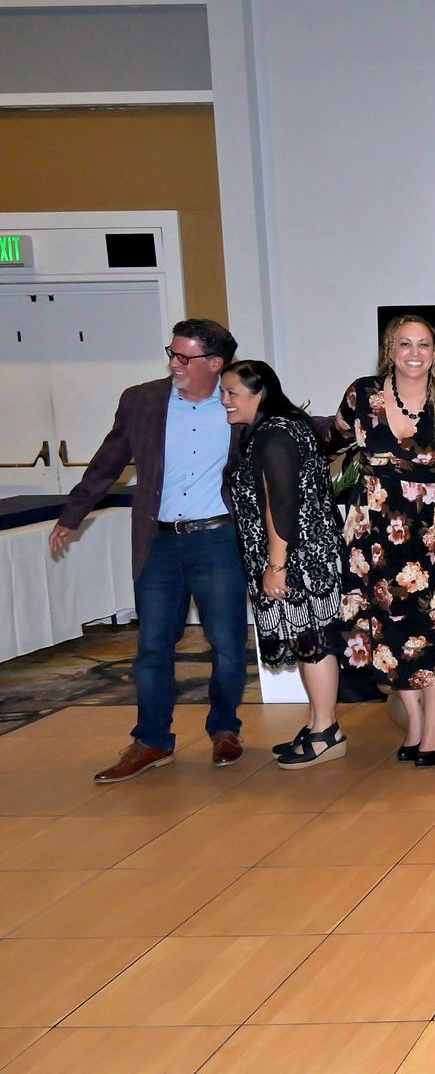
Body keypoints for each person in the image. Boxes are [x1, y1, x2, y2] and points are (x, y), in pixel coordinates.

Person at [52, 319, 248, 783]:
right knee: (153, 646)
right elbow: (108, 460)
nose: (174, 363)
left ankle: (225, 728)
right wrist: (72, 514)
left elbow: (295, 428)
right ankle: (152, 740)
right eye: (172, 353)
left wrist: (348, 424)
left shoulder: (239, 399)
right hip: (158, 542)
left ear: (214, 363)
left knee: (227, 645)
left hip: (219, 540)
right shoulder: (142, 400)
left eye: (184, 357)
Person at [332, 314, 435, 765]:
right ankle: (414, 722)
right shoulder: (361, 395)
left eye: (424, 345)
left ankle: (434, 725)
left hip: (430, 537)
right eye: (405, 344)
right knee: (387, 630)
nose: (415, 353)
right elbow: (335, 438)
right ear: (389, 351)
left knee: (431, 630)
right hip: (374, 532)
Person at [219, 360, 348, 767]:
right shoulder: (284, 426)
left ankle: (326, 732)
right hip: (304, 555)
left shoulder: (274, 435)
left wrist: (276, 566)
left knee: (314, 644)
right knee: (309, 642)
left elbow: (280, 505)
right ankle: (318, 723)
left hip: (298, 561)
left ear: (259, 394)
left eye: (232, 392)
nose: (224, 400)